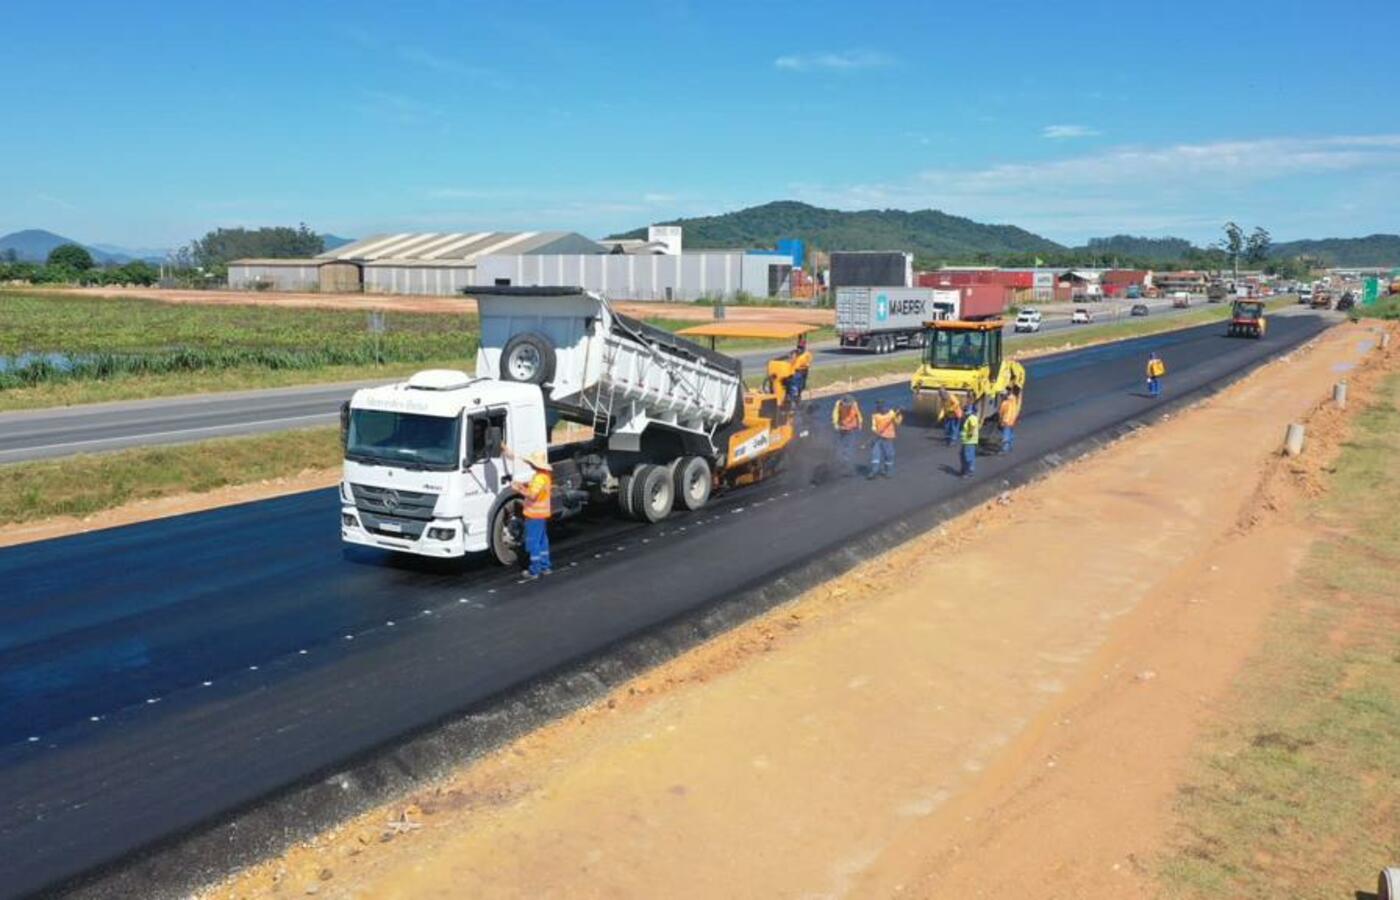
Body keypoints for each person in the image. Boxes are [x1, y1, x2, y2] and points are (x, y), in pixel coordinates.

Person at [503, 445, 553, 578]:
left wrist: (518, 489)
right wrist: (523, 485)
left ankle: (534, 570)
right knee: (542, 541)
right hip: (542, 514)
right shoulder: (545, 476)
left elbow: (532, 495)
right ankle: (545, 566)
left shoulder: (538, 478)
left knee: (533, 542)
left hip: (534, 514)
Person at [868, 399, 902, 479]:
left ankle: (888, 471)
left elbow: (898, 422)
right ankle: (874, 471)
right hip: (878, 438)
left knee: (889, 455)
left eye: (883, 408)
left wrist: (898, 415)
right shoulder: (875, 415)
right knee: (875, 454)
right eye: (880, 408)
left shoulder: (892, 414)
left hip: (888, 438)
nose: (882, 410)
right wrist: (876, 431)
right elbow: (873, 426)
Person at [831, 394, 863, 474]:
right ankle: (842, 462)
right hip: (842, 426)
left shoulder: (854, 404)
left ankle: (847, 464)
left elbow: (858, 414)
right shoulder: (838, 404)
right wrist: (835, 424)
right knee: (840, 446)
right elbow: (835, 414)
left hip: (852, 427)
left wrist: (860, 423)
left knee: (849, 446)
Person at [959, 402, 981, 478]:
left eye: (965, 410)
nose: (964, 412)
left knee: (967, 456)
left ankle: (968, 472)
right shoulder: (968, 417)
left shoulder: (972, 418)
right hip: (966, 440)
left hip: (969, 441)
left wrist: (970, 434)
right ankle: (965, 469)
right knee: (962, 455)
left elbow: (972, 427)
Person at [998, 385, 1021, 453]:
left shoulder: (1005, 403)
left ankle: (1005, 449)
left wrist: (1000, 421)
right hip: (1012, 419)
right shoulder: (1014, 399)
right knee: (1010, 433)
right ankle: (1010, 446)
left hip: (1006, 421)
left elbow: (1001, 414)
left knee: (1006, 435)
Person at [790, 338, 813, 404]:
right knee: (794, 387)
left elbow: (808, 363)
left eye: (801, 347)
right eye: (798, 347)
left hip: (802, 372)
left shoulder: (807, 354)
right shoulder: (795, 353)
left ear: (804, 347)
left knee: (800, 387)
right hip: (796, 372)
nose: (799, 348)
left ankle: (797, 399)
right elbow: (791, 361)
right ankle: (794, 399)